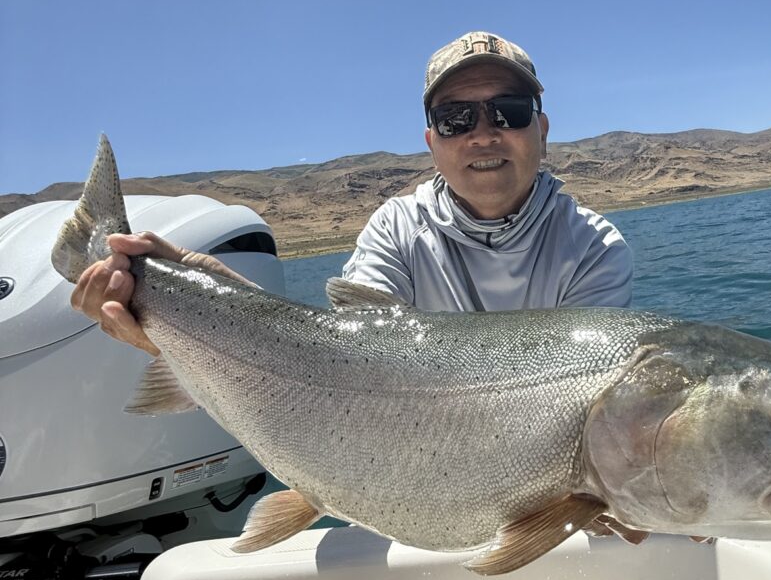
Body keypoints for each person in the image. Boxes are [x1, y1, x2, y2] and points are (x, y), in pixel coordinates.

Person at [70, 31, 633, 351]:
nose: (484, 133)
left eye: (508, 112)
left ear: (542, 128)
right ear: (432, 142)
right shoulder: (396, 227)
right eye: (456, 118)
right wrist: (187, 292)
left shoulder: (593, 247)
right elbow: (340, 352)